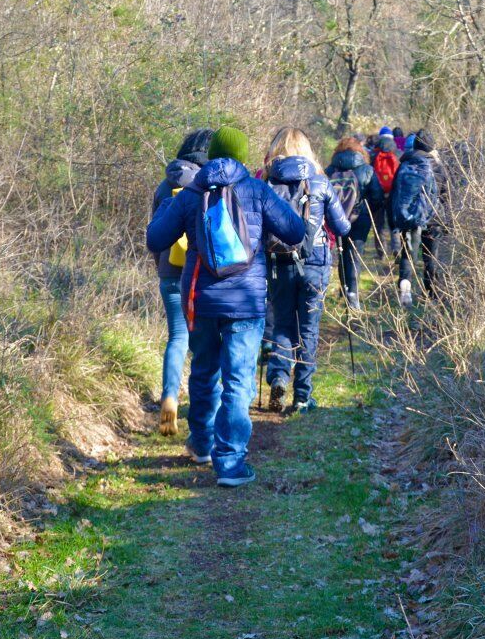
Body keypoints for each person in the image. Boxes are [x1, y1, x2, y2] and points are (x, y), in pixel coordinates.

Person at [146, 126, 305, 487]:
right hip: (246, 302)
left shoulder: (190, 193)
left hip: (200, 299)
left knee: (204, 371)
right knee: (237, 380)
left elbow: (155, 238)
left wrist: (173, 204)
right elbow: (295, 232)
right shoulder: (256, 189)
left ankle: (201, 444)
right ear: (242, 155)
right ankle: (231, 464)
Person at [262, 127, 350, 414]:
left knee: (283, 323)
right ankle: (302, 396)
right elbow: (341, 227)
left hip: (278, 262)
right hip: (315, 262)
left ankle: (278, 378)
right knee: (309, 329)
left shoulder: (266, 181)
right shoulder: (320, 181)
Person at [149, 127, 214, 436]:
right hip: (199, 274)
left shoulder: (165, 184)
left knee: (177, 338)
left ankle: (170, 397)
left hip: (168, 272)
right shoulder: (208, 182)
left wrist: (162, 268)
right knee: (206, 344)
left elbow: (155, 234)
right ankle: (207, 413)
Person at [326, 136, 383, 311]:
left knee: (342, 254)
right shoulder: (366, 169)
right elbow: (377, 196)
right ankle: (353, 296)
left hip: (337, 218)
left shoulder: (329, 169)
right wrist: (369, 210)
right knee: (354, 256)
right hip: (360, 218)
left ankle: (344, 290)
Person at [389, 128, 441, 308]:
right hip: (433, 219)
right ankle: (431, 296)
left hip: (408, 218)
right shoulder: (435, 165)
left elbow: (394, 195)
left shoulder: (405, 164)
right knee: (430, 257)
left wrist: (394, 222)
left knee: (408, 254)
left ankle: (405, 288)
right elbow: (445, 194)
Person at [371, 130, 401, 262]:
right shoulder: (397, 156)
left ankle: (381, 252)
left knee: (379, 224)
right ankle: (397, 248)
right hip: (393, 194)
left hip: (377, 194)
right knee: (394, 223)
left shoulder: (373, 157)